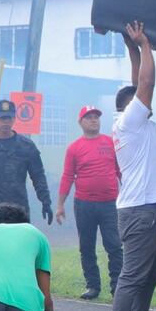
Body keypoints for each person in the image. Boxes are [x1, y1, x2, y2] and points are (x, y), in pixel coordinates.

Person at [111, 21, 156, 311]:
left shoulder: (135, 123)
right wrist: (146, 44)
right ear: (131, 107)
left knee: (149, 275)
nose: (147, 101)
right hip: (141, 210)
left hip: (148, 209)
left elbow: (138, 82)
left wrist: (131, 47)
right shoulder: (129, 122)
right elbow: (146, 82)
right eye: (140, 100)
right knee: (134, 275)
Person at [55, 105, 123, 300]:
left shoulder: (110, 143)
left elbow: (121, 171)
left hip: (110, 203)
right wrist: (60, 205)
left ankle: (117, 286)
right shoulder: (74, 148)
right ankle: (92, 286)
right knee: (86, 246)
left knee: (114, 245)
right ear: (80, 122)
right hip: (84, 204)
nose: (94, 120)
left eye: (96, 117)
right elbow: (67, 176)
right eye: (89, 117)